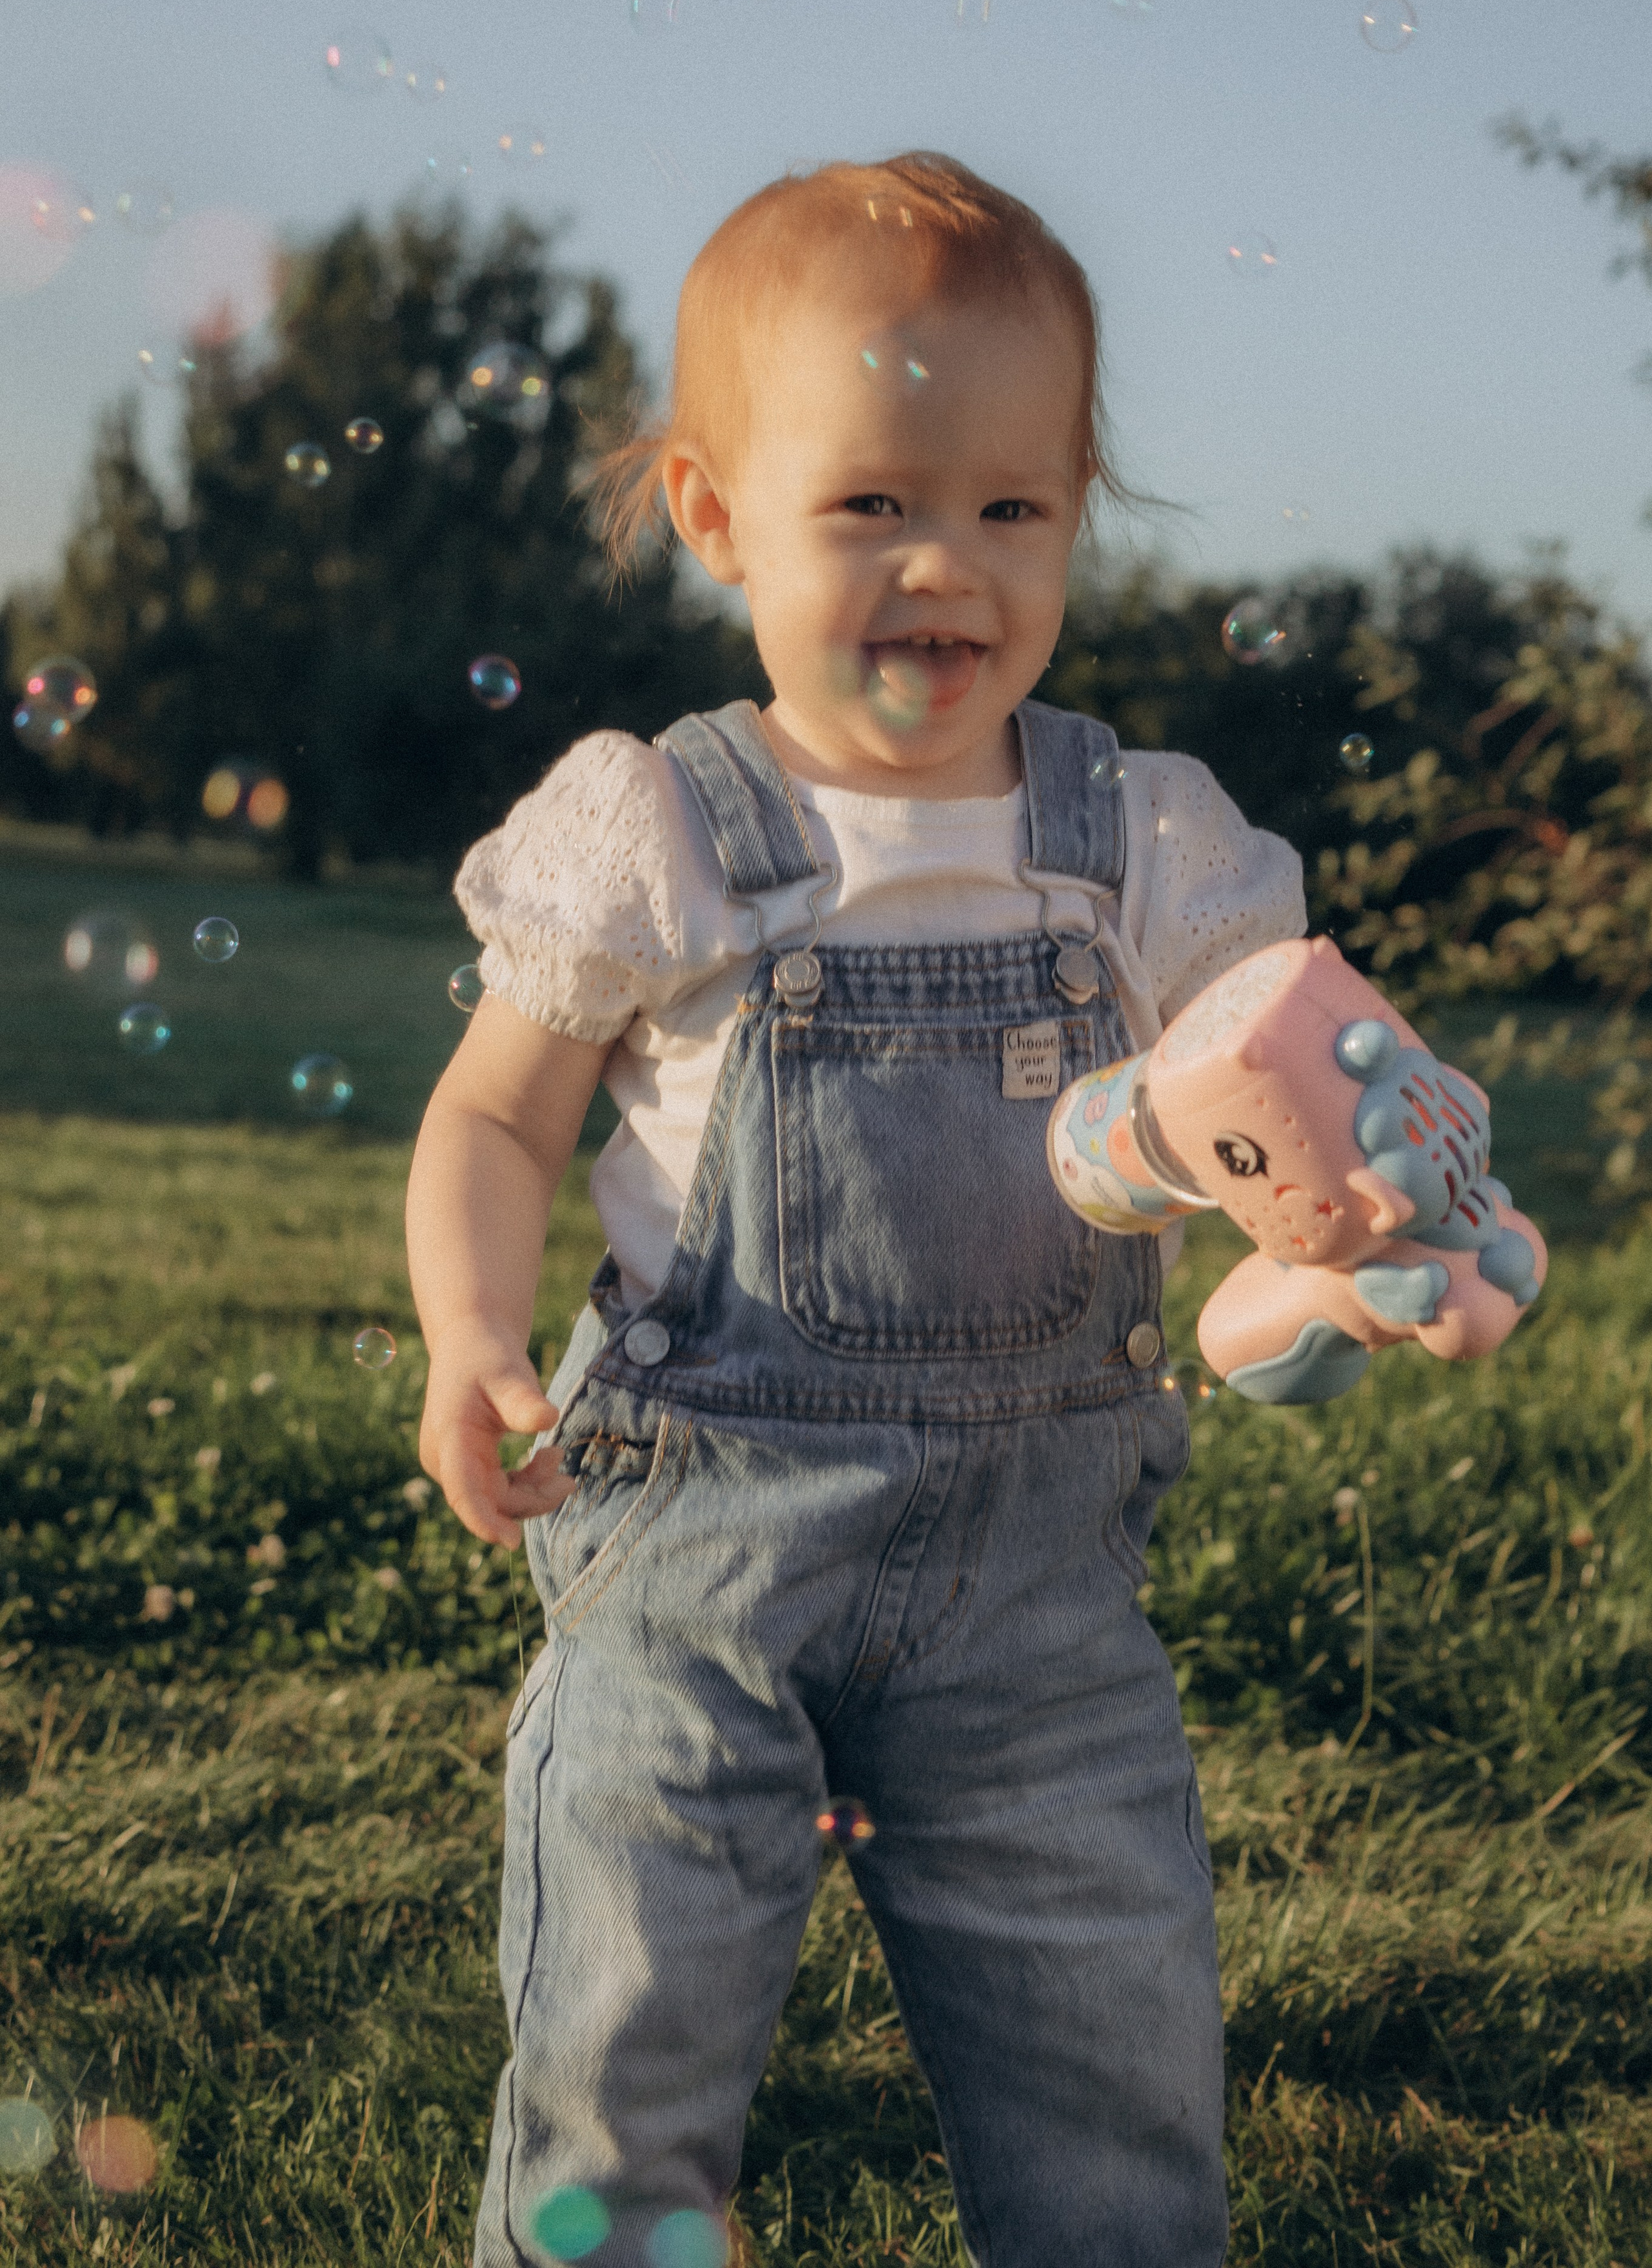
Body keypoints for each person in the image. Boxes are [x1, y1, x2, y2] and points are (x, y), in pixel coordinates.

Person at [407, 151, 1304, 2268]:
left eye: (1011, 507)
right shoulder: (664, 826)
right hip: (699, 1557)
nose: (948, 567)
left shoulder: (1139, 844)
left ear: (1075, 512)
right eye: (873, 504)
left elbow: (1278, 1078)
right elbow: (495, 1119)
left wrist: (1348, 1202)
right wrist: (471, 1329)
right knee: (629, 2021)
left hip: (1041, 1599)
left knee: (1113, 2038)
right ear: (715, 515)